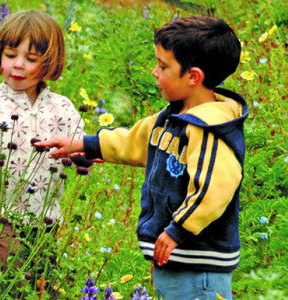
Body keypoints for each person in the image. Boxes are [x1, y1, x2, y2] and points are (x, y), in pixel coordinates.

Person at [36, 16, 245, 300]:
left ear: (193, 76)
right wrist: (83, 144)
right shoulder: (173, 116)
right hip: (175, 255)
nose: (154, 72)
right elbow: (135, 141)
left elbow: (214, 189)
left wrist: (177, 231)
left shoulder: (210, 129)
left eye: (163, 66)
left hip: (199, 261)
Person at [0, 10, 83, 269]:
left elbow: (77, 142)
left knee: (40, 282)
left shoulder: (62, 108)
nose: (18, 64)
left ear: (49, 63)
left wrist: (80, 154)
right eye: (10, 55)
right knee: (4, 280)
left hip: (45, 218)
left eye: (30, 59)